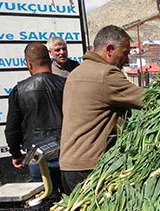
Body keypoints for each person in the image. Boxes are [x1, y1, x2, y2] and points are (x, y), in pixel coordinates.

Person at [58, 25, 145, 195]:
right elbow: (149, 99)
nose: (126, 60)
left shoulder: (76, 72)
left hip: (70, 164)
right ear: (110, 49)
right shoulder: (106, 74)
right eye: (125, 53)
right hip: (91, 167)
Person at [4, 42, 66, 196]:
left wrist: (15, 154)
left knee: (42, 199)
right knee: (69, 198)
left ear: (29, 63)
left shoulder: (19, 90)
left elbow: (12, 128)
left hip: (37, 155)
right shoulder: (65, 84)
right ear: (49, 59)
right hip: (65, 150)